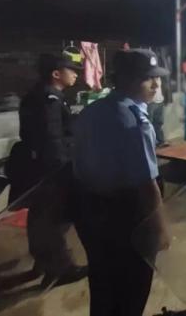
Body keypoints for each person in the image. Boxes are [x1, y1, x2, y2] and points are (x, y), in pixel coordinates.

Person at [72, 49, 169, 316]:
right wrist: (159, 227)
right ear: (125, 79)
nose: (156, 84)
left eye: (158, 77)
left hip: (90, 211)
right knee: (131, 290)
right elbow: (146, 183)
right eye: (147, 78)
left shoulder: (92, 111)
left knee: (103, 285)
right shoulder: (133, 121)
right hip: (126, 217)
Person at [17, 52, 87, 287]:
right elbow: (52, 139)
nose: (75, 74)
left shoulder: (35, 96)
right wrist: (63, 170)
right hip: (53, 171)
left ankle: (43, 261)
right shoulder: (50, 99)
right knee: (56, 218)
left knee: (41, 217)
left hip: (38, 167)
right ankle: (60, 269)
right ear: (56, 74)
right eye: (71, 70)